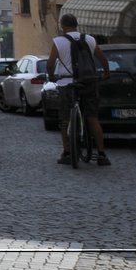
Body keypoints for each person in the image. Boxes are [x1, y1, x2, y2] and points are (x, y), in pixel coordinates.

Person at [50, 13, 109, 166]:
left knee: (65, 119)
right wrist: (107, 73)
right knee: (92, 117)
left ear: (62, 26)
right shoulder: (89, 39)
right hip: (89, 82)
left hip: (67, 83)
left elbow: (50, 63)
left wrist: (51, 76)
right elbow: (102, 59)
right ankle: (102, 154)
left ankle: (67, 152)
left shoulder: (58, 41)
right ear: (76, 24)